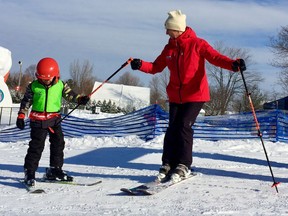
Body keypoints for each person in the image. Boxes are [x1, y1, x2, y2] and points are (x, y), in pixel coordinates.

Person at [130, 10, 246, 182]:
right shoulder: (169, 48)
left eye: (168, 28)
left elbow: (215, 57)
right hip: (176, 95)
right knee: (172, 128)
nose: (166, 32)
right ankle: (168, 163)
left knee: (184, 125)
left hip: (195, 94)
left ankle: (184, 165)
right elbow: (156, 67)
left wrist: (233, 64)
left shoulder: (198, 44)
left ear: (177, 29)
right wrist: (140, 65)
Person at [16, 57, 90, 186]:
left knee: (58, 144)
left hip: (54, 120)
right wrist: (21, 115)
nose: (45, 81)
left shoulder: (61, 85)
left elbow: (70, 95)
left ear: (56, 75)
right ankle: (30, 172)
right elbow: (26, 101)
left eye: (47, 79)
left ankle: (55, 170)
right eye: (42, 79)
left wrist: (80, 99)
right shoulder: (33, 86)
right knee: (36, 147)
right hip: (38, 121)